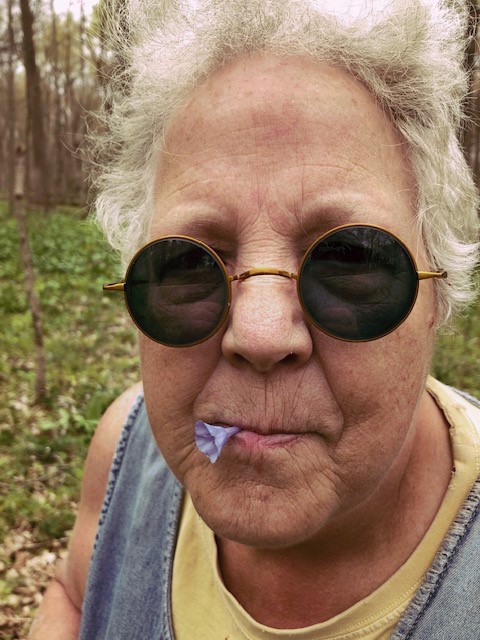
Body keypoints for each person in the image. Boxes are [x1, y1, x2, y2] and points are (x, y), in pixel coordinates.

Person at [29, 0, 480, 638]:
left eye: (349, 258)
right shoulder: (126, 452)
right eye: (190, 262)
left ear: (440, 292)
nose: (260, 334)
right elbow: (78, 593)